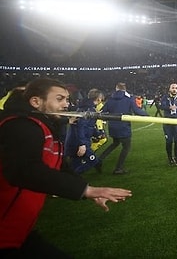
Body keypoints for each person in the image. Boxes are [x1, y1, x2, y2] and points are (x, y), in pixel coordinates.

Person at [0, 78, 132, 257]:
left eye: (67, 99)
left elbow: (61, 167)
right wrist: (87, 190)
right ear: (36, 102)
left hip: (18, 233)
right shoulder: (21, 125)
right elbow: (24, 171)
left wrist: (90, 190)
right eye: (59, 99)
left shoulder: (44, 127)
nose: (66, 104)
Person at [99, 82, 148, 175]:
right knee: (126, 147)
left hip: (113, 128)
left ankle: (99, 160)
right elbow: (137, 111)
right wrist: (147, 115)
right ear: (125, 89)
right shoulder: (129, 99)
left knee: (115, 143)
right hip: (123, 127)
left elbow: (103, 112)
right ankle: (118, 168)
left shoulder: (110, 99)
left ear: (116, 88)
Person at [65, 88, 105, 174]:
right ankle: (72, 179)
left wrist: (97, 133)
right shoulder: (89, 110)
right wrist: (82, 144)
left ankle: (70, 181)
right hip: (79, 142)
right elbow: (81, 126)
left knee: (75, 164)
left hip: (73, 140)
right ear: (98, 98)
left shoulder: (82, 107)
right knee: (93, 161)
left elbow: (88, 126)